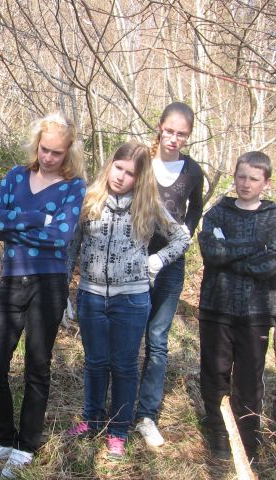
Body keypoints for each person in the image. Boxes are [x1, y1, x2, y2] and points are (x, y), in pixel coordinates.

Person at [0, 113, 86, 479]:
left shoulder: (73, 186)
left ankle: (25, 445)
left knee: (37, 364)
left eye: (57, 153)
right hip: (11, 279)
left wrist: (14, 226)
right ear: (36, 145)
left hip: (49, 283)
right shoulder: (17, 175)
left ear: (68, 154)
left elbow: (61, 236)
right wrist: (38, 219)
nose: (49, 158)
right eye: (45, 150)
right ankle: (3, 436)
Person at [66, 141, 189, 459]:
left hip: (131, 301)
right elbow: (72, 248)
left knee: (123, 366)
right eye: (117, 168)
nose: (120, 177)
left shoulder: (147, 205)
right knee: (95, 364)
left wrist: (156, 261)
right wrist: (64, 291)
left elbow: (181, 237)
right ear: (110, 165)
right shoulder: (90, 199)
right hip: (91, 297)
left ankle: (118, 430)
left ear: (139, 177)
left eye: (129, 173)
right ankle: (92, 420)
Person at [198, 151, 276, 461]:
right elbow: (212, 254)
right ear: (235, 177)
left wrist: (230, 251)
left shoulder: (272, 217)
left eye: (253, 179)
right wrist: (256, 248)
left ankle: (247, 440)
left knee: (249, 379)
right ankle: (218, 434)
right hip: (217, 307)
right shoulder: (217, 213)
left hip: (257, 311)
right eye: (241, 176)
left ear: (265, 183)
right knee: (215, 374)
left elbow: (271, 266)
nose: (246, 184)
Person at [135, 102, 204, 447]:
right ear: (159, 126)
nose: (174, 138)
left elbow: (196, 210)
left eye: (182, 134)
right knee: (130, 334)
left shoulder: (193, 172)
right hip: (135, 260)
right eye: (170, 130)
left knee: (158, 340)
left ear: (188, 136)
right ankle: (117, 408)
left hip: (171, 266)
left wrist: (184, 234)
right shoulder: (142, 161)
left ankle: (146, 415)